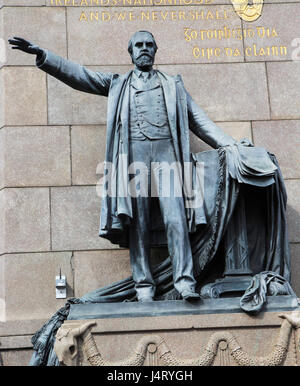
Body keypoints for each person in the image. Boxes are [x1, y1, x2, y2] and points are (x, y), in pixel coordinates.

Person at [9, 31, 239, 302]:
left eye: (149, 45)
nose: (144, 49)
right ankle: (144, 286)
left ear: (156, 50)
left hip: (169, 157)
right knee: (137, 223)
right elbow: (81, 76)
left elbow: (199, 121)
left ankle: (185, 282)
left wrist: (231, 145)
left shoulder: (173, 84)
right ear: (130, 52)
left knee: (176, 219)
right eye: (138, 45)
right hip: (134, 159)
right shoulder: (118, 83)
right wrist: (44, 56)